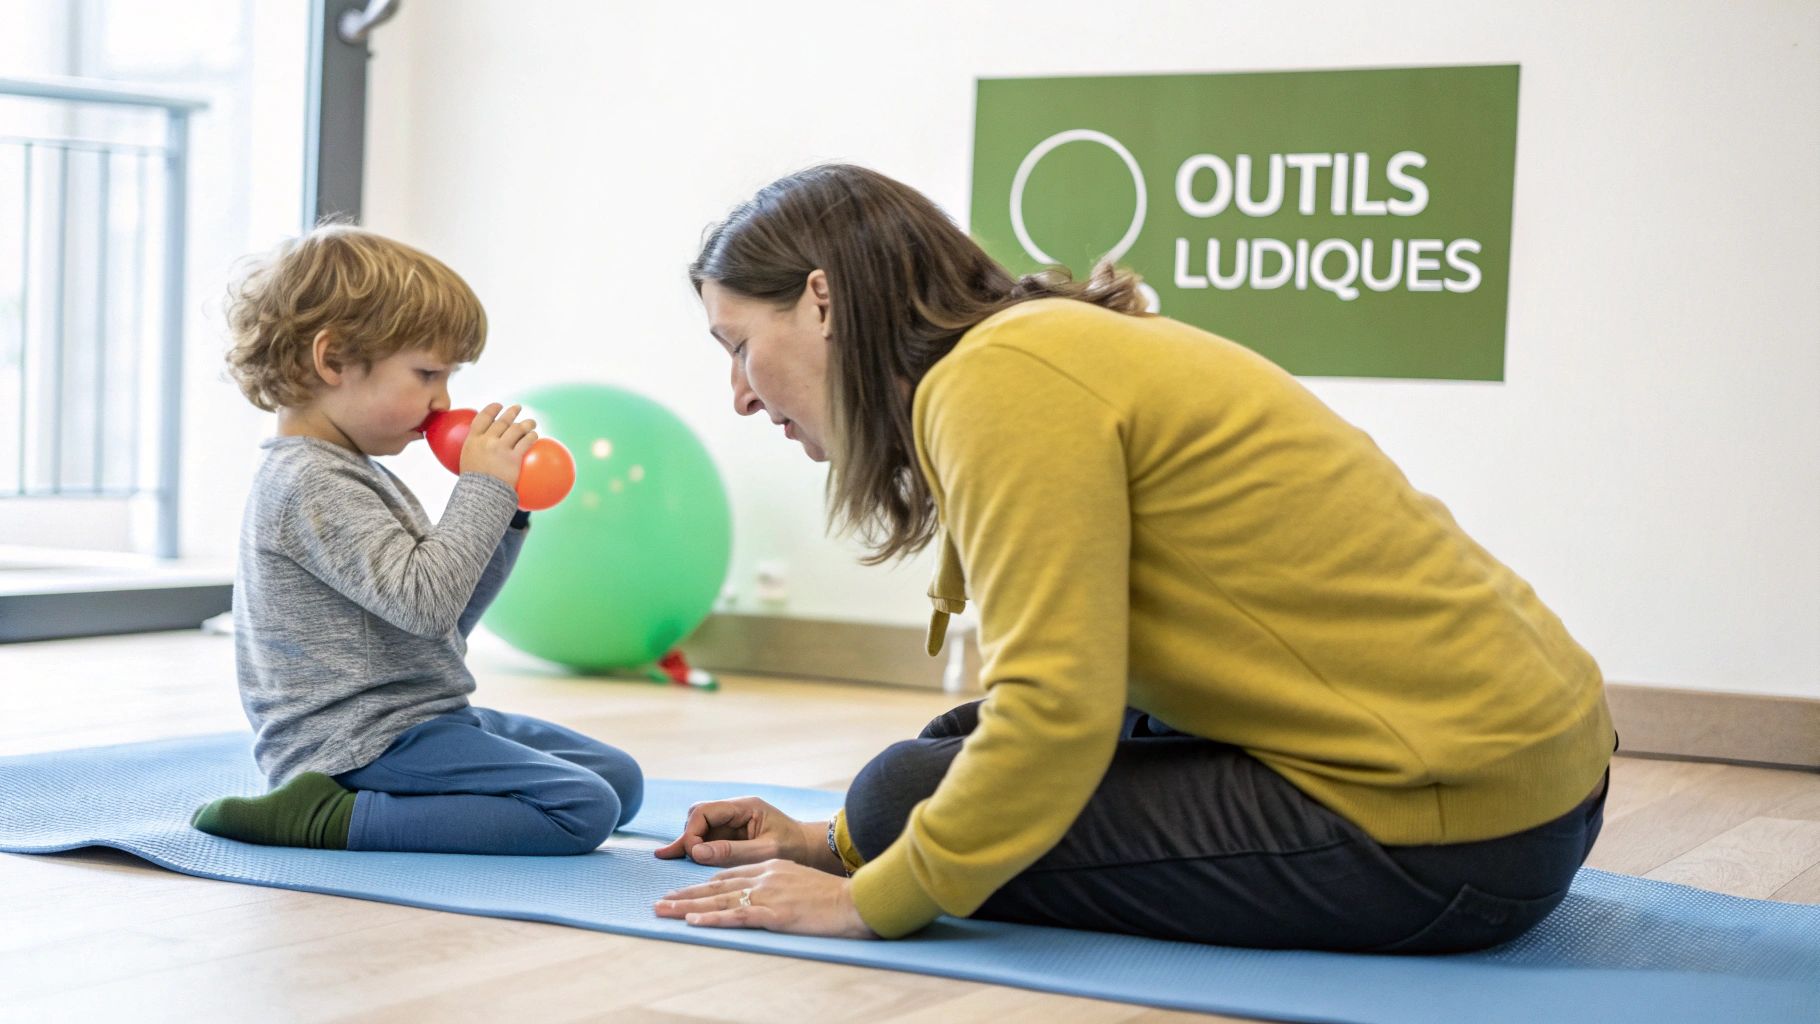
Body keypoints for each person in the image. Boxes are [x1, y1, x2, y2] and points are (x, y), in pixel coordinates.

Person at [652, 164, 1613, 951]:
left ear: (821, 300)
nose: (738, 393)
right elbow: (1080, 684)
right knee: (942, 752)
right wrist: (827, 840)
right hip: (1523, 778)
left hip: (1459, 833)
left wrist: (868, 897)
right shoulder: (1030, 348)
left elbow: (1058, 714)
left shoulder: (996, 383)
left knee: (912, 796)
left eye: (737, 344)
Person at [191, 225, 643, 855]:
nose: (443, 401)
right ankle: (325, 816)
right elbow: (425, 602)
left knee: (621, 780)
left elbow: (444, 620)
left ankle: (398, 800)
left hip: (422, 719)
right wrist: (482, 488)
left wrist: (506, 514)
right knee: (581, 807)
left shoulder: (358, 473)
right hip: (356, 743)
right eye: (428, 372)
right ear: (333, 360)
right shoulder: (308, 482)